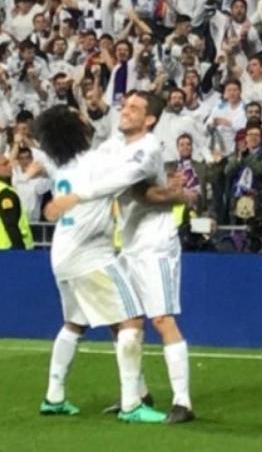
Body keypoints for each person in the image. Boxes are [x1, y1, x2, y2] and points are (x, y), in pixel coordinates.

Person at [53, 92, 199, 424]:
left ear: (150, 119)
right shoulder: (115, 145)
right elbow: (101, 168)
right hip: (126, 242)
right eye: (126, 105)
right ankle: (137, 394)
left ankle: (182, 401)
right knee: (121, 319)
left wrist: (77, 196)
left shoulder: (148, 148)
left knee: (161, 319)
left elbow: (128, 185)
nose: (126, 111)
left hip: (155, 243)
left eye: (135, 108)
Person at [33, 105, 166, 424]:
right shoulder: (97, 162)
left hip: (62, 252)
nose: (84, 118)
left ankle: (54, 397)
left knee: (74, 324)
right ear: (74, 130)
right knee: (132, 320)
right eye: (77, 116)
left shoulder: (62, 166)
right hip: (91, 254)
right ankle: (132, 404)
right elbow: (131, 171)